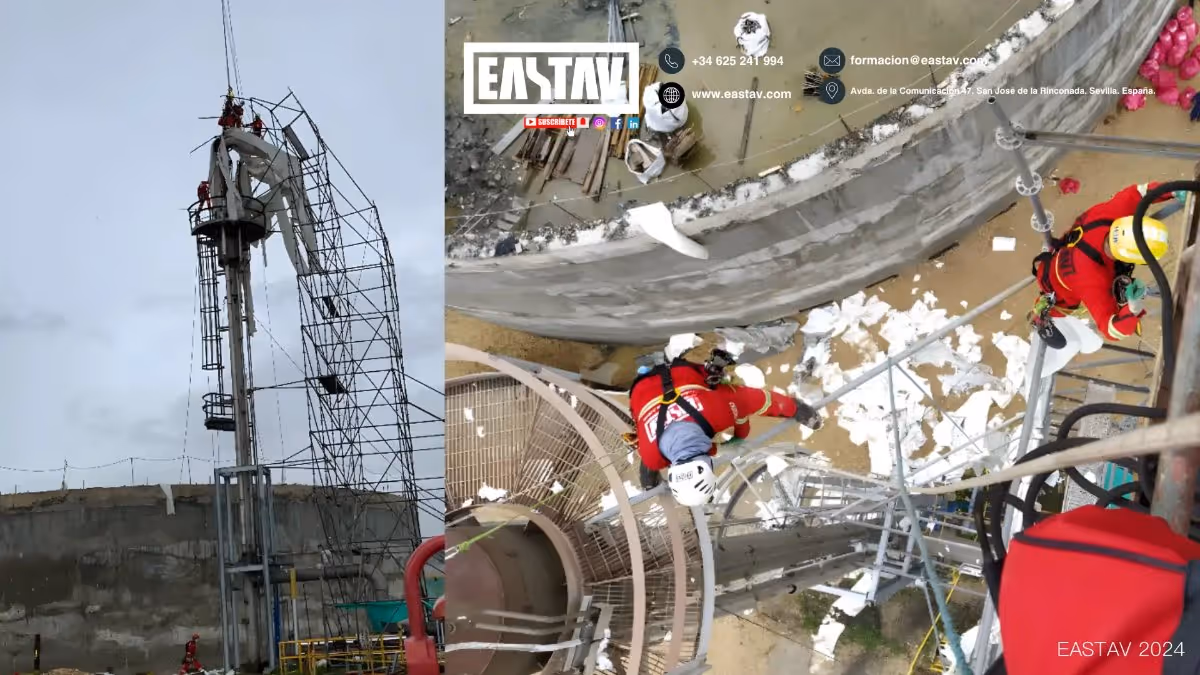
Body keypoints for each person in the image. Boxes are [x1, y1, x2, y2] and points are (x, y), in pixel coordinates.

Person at [628, 350, 823, 506]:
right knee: (652, 454)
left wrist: (795, 409)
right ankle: (648, 482)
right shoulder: (650, 454)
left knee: (722, 386)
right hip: (641, 390)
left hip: (681, 375)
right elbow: (688, 450)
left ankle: (649, 484)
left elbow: (761, 401)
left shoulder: (719, 411)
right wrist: (721, 446)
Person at [1030, 182, 1180, 342]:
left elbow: (1138, 193)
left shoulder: (1109, 216)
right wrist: (1132, 309)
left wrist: (1174, 191)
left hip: (1061, 255)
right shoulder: (1092, 281)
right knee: (1058, 304)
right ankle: (1038, 318)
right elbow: (1111, 330)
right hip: (1059, 286)